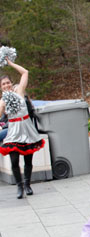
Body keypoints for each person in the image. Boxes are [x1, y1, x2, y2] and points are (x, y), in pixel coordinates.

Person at [0, 59, 44, 199]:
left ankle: (27, 184)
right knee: (14, 161)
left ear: (11, 83)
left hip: (26, 128)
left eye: (7, 82)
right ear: (1, 87)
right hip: (14, 131)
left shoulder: (19, 91)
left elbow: (25, 72)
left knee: (28, 160)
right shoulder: (2, 101)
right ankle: (19, 186)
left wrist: (11, 63)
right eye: (3, 84)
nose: (6, 85)